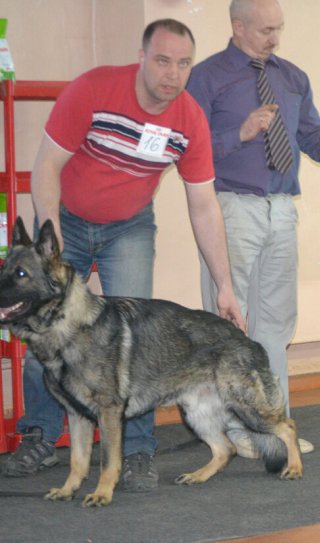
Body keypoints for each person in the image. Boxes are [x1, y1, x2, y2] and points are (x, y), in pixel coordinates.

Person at [1, 19, 245, 493]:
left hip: (129, 228)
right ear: (141, 56)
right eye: (162, 60)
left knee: (134, 340)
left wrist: (225, 286)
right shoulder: (93, 89)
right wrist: (51, 250)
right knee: (44, 327)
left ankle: (135, 452)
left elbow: (204, 206)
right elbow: (47, 166)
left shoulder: (189, 119)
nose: (172, 73)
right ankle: (39, 435)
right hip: (67, 218)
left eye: (183, 63)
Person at [187, 0, 320, 454]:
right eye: (265, 29)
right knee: (229, 325)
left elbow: (316, 139)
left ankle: (272, 426)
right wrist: (237, 135)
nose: (274, 38)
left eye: (278, 29)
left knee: (276, 326)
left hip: (281, 209)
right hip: (231, 206)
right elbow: (187, 146)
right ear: (237, 26)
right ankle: (232, 429)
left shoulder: (292, 78)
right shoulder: (207, 76)